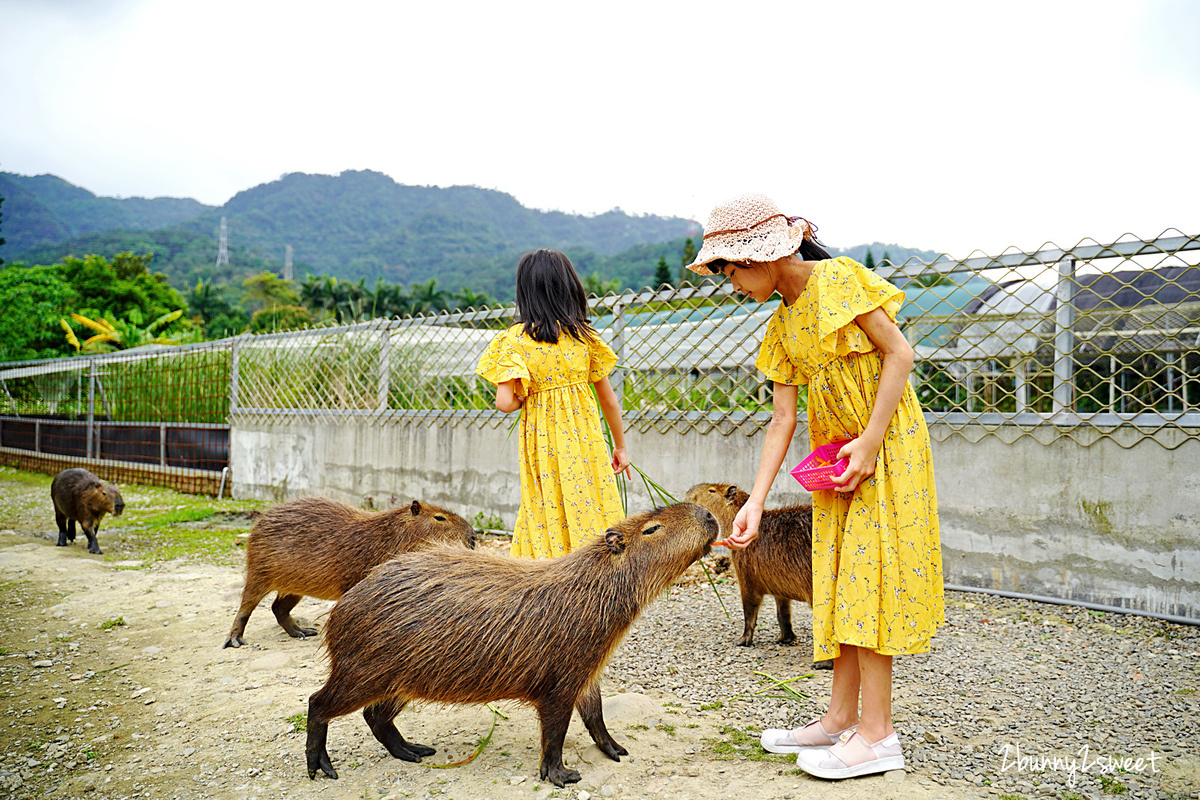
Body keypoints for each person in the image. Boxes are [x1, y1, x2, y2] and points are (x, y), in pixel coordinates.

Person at [686, 194, 944, 779]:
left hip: (885, 449)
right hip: (836, 462)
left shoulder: (840, 281)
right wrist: (752, 502)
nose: (730, 284)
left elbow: (900, 353)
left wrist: (872, 441)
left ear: (766, 256)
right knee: (838, 579)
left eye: (730, 270)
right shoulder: (781, 325)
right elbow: (781, 420)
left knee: (871, 580)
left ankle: (879, 736)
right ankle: (838, 720)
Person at [476, 248, 633, 559]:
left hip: (542, 441)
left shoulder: (514, 340)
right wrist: (620, 448)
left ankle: (547, 571)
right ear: (569, 287)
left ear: (525, 291)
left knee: (546, 501)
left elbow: (504, 402)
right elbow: (609, 400)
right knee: (590, 496)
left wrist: (524, 397)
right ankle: (596, 566)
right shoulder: (585, 338)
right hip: (585, 437)